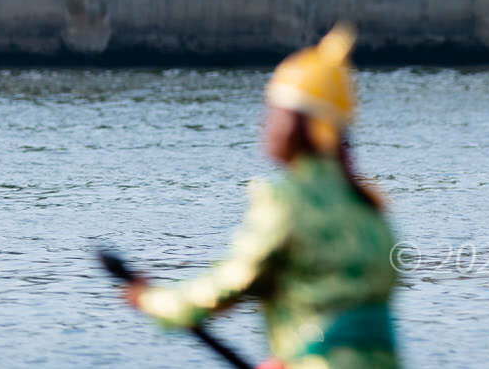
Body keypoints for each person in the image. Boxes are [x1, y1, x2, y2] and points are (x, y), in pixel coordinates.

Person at [122, 24, 403, 368]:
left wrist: (155, 300)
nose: (263, 124)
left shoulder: (286, 201)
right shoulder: (370, 209)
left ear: (303, 126)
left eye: (274, 113)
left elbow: (229, 284)